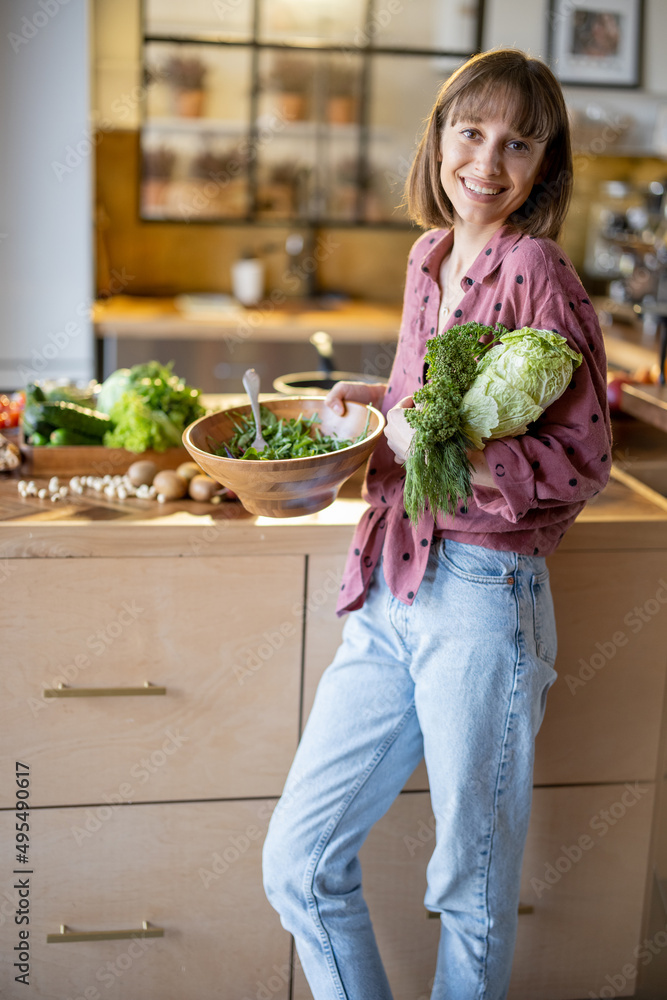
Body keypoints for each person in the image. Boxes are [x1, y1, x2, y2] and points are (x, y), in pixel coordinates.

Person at [262, 48, 612, 1000]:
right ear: (438, 138)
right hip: (390, 581)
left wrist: (425, 445)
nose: (487, 162)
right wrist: (379, 406)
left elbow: (581, 459)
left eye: (519, 143)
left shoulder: (537, 269)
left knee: (471, 889)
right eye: (470, 132)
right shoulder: (429, 256)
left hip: (483, 600)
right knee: (298, 860)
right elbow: (435, 410)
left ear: (546, 165)